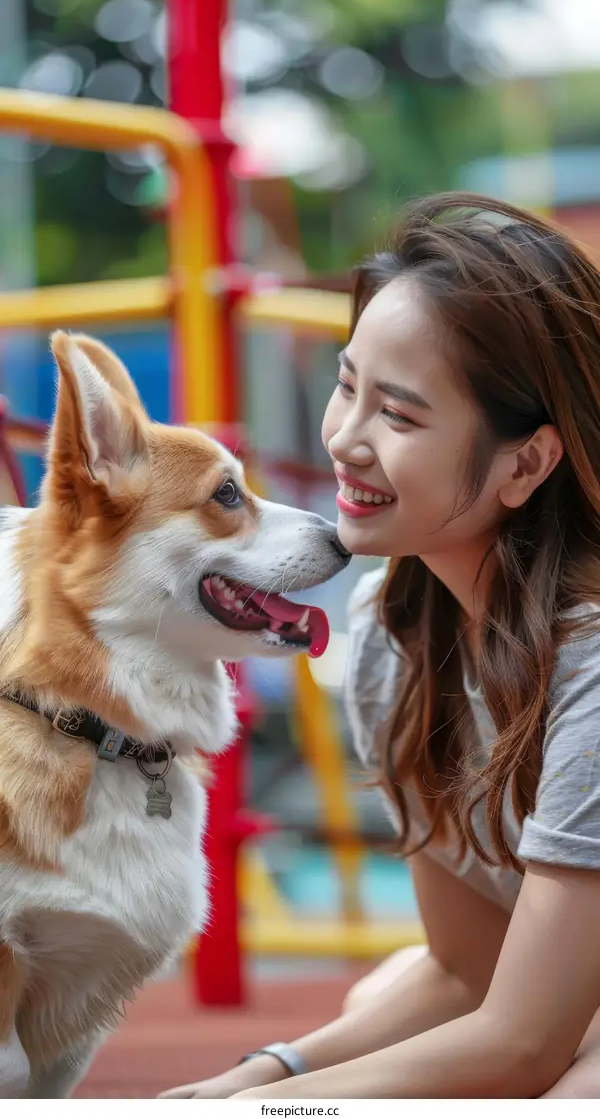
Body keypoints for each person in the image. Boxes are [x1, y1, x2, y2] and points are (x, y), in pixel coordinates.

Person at [160, 192, 600, 1099]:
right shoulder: (391, 640)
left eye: (399, 416)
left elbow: (522, 1041)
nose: (346, 440)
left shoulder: (589, 664)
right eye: (347, 385)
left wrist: (262, 1112)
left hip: (563, 1021)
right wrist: (259, 1077)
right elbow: (467, 972)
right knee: (391, 995)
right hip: (565, 1006)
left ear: (527, 462)